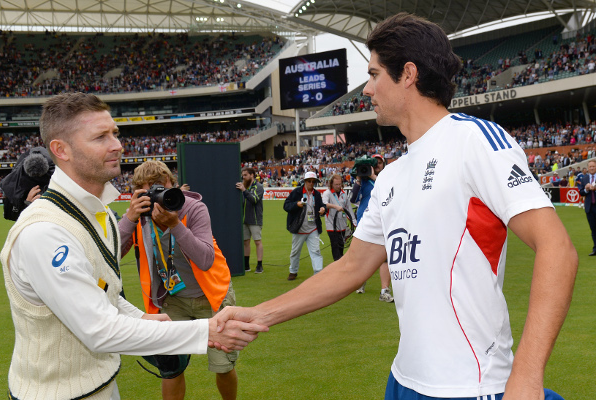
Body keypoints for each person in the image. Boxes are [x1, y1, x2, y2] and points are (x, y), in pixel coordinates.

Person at [214, 13, 577, 400]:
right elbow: (352, 267)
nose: (366, 89)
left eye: (373, 75)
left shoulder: (474, 140)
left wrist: (527, 374)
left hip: (470, 385)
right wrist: (263, 314)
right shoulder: (391, 175)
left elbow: (557, 248)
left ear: (408, 74)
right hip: (402, 381)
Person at [0, 93, 266, 400]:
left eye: (115, 133)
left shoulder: (93, 212)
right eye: (100, 137)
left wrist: (138, 317)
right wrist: (208, 331)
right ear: (61, 149)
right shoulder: (44, 231)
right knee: (173, 370)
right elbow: (98, 329)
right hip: (58, 393)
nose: (117, 145)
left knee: (220, 368)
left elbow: (101, 289)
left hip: (101, 382)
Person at [119, 160, 240, 400]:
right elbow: (110, 255)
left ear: (172, 185)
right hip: (173, 300)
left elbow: (205, 259)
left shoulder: (194, 209)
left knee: (223, 366)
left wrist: (174, 224)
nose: (152, 196)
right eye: (144, 191)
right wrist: (129, 219)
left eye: (157, 188)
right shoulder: (139, 216)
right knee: (170, 369)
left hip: (211, 297)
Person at [350, 154, 393, 301]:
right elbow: (353, 199)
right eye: (375, 163)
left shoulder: (387, 177)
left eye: (380, 162)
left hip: (384, 221)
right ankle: (360, 282)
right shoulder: (364, 180)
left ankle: (384, 290)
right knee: (362, 255)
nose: (378, 165)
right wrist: (358, 180)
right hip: (365, 220)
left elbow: (391, 192)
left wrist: (375, 177)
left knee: (385, 257)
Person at [283, 171, 326, 280]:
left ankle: (318, 273)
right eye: (309, 181)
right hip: (299, 229)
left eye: (313, 181)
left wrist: (323, 210)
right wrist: (297, 204)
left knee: (316, 251)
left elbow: (321, 206)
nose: (311, 183)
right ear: (305, 181)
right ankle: (293, 271)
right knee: (295, 252)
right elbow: (286, 205)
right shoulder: (296, 192)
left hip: (313, 228)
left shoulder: (317, 194)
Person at [235, 167, 264, 273]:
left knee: (257, 241)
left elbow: (254, 199)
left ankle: (259, 265)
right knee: (245, 241)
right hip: (244, 219)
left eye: (246, 175)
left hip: (255, 219)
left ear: (252, 175)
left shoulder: (259, 186)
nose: (243, 177)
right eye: (243, 175)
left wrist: (244, 190)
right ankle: (246, 265)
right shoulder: (243, 186)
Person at [322, 173, 356, 262]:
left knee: (341, 247)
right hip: (331, 226)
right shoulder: (327, 193)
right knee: (335, 248)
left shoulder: (344, 194)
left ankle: (339, 264)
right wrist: (335, 206)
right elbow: (324, 204)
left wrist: (354, 221)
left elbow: (349, 208)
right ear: (331, 184)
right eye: (336, 184)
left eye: (340, 184)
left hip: (342, 225)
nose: (338, 186)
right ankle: (338, 265)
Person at [579, 160, 596, 256]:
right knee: (593, 229)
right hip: (589, 208)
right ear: (588, 168)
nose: (592, 168)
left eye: (593, 166)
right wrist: (586, 189)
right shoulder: (584, 179)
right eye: (590, 166)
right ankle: (595, 249)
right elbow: (581, 192)